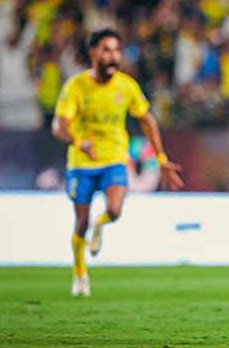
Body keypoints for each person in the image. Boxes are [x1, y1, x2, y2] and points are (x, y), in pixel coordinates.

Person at [52, 29, 184, 297]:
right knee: (80, 223)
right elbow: (59, 125)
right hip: (81, 163)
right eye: (106, 50)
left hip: (114, 159)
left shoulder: (127, 86)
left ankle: (101, 224)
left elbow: (147, 120)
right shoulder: (76, 86)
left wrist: (161, 159)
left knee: (114, 210)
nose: (113, 56)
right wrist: (77, 141)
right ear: (93, 53)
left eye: (116, 50)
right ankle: (79, 272)